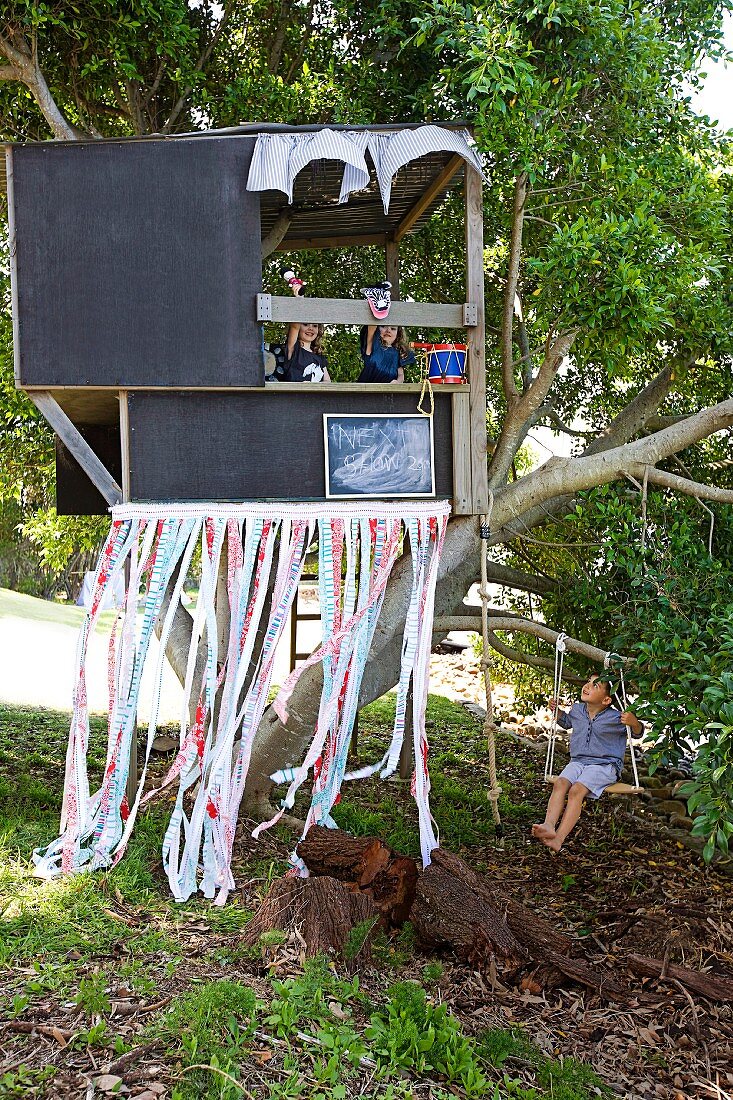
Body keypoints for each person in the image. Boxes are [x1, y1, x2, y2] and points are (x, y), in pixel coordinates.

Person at [532, 674, 643, 852]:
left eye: (595, 685)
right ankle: (549, 825)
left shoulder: (617, 718)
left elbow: (637, 733)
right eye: (588, 682)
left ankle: (558, 839)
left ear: (607, 699)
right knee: (560, 783)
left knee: (576, 790)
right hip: (578, 761)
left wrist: (634, 722)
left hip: (605, 766)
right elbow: (567, 723)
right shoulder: (577, 710)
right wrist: (557, 712)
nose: (587, 686)